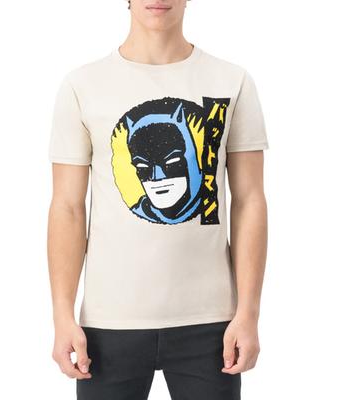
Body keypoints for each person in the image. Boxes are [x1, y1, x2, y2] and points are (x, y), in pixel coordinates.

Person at [47, 0, 269, 399]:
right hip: (109, 323)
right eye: (146, 169)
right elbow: (67, 207)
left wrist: (248, 312)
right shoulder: (83, 85)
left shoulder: (231, 80)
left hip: (211, 324)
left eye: (171, 164)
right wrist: (62, 315)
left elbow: (250, 200)